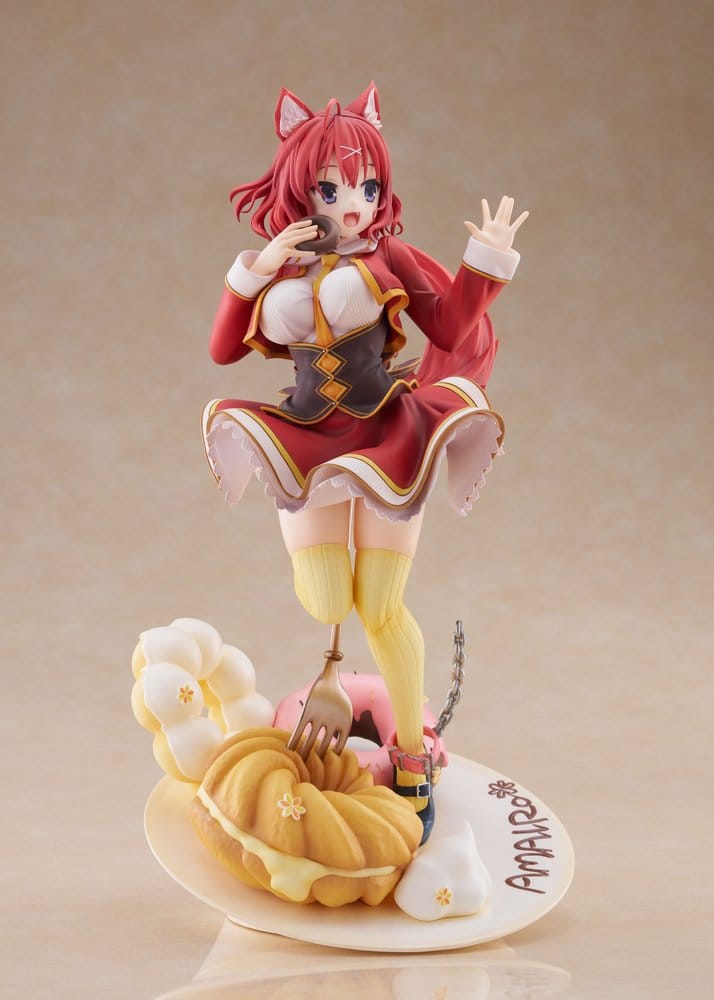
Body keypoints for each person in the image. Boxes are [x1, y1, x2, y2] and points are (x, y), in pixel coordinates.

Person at [203, 83, 527, 841]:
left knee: (380, 605)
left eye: (368, 187)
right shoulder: (276, 270)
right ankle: (340, 678)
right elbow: (222, 350)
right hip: (307, 439)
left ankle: (411, 757)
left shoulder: (388, 256)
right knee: (325, 599)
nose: (353, 204)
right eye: (332, 188)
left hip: (387, 437)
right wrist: (257, 268)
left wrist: (488, 260)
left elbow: (450, 324)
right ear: (300, 188)